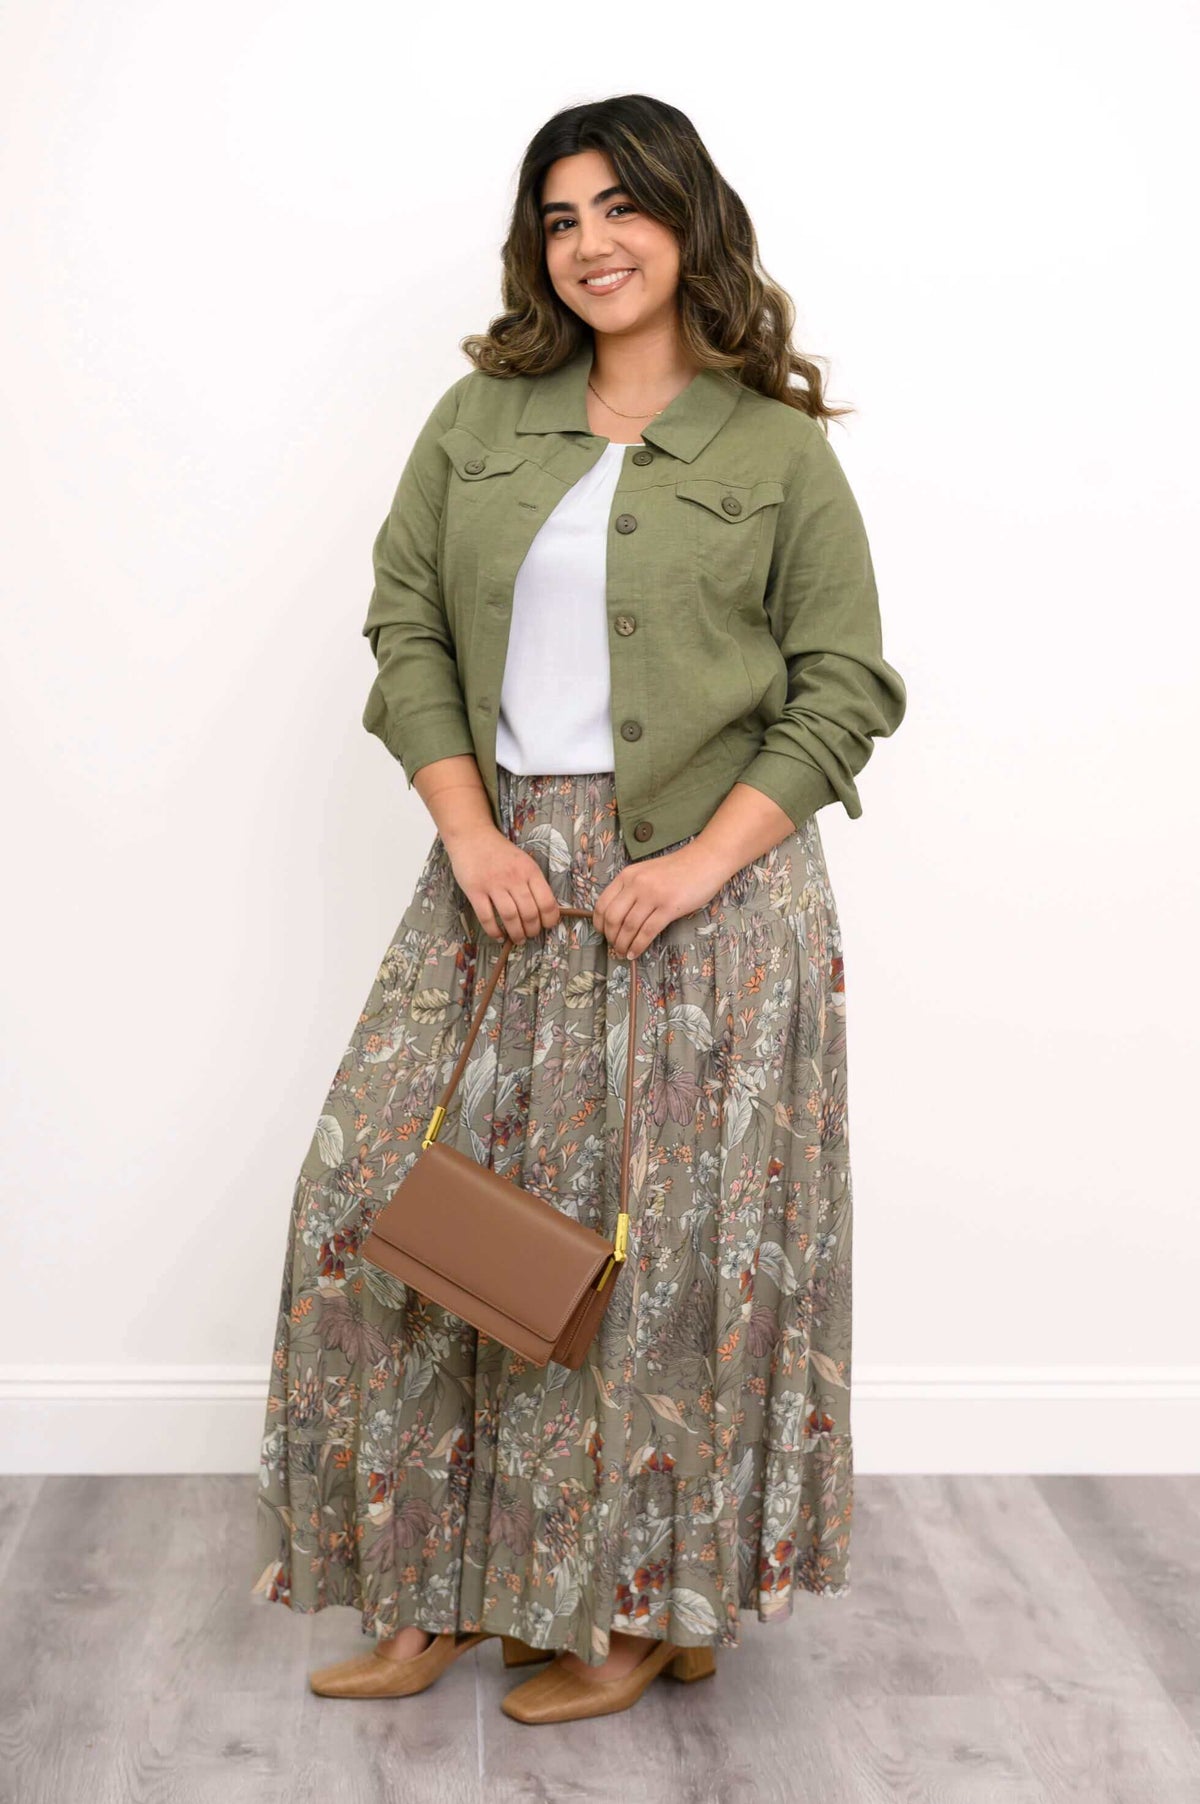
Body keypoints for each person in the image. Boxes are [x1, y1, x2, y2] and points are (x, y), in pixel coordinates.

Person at [250, 91, 907, 1727]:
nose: (592, 241)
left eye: (621, 206)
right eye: (560, 216)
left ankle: (635, 1606)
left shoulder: (773, 449)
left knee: (652, 1268)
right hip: (499, 876)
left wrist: (690, 868)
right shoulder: (483, 417)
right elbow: (405, 623)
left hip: (704, 900)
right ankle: (429, 1590)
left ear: (689, 221)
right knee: (396, 1223)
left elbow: (843, 689)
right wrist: (470, 833)